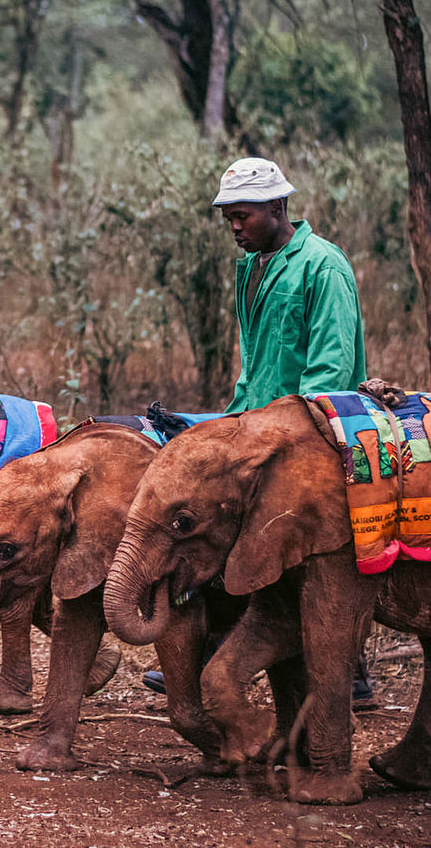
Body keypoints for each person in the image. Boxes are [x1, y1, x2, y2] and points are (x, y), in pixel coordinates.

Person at [143, 157, 375, 701]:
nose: (234, 227)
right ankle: (223, 646)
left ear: (278, 207)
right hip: (260, 431)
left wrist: (263, 440)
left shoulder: (324, 267)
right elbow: (254, 372)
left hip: (309, 440)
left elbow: (329, 375)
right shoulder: (252, 268)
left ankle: (345, 672)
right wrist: (221, 431)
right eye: (228, 217)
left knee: (302, 555)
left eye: (242, 215)